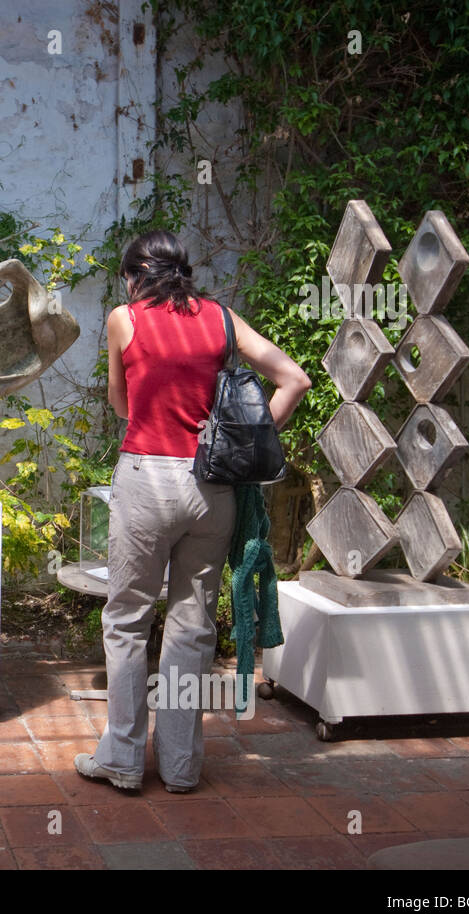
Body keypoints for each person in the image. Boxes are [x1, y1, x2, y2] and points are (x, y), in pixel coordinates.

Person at [75, 230, 311, 793]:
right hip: (213, 488)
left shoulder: (123, 318)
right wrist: (240, 443)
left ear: (134, 274)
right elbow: (294, 379)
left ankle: (125, 761)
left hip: (147, 480)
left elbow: (119, 400)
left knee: (128, 620)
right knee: (191, 626)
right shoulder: (221, 319)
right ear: (182, 271)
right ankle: (181, 768)